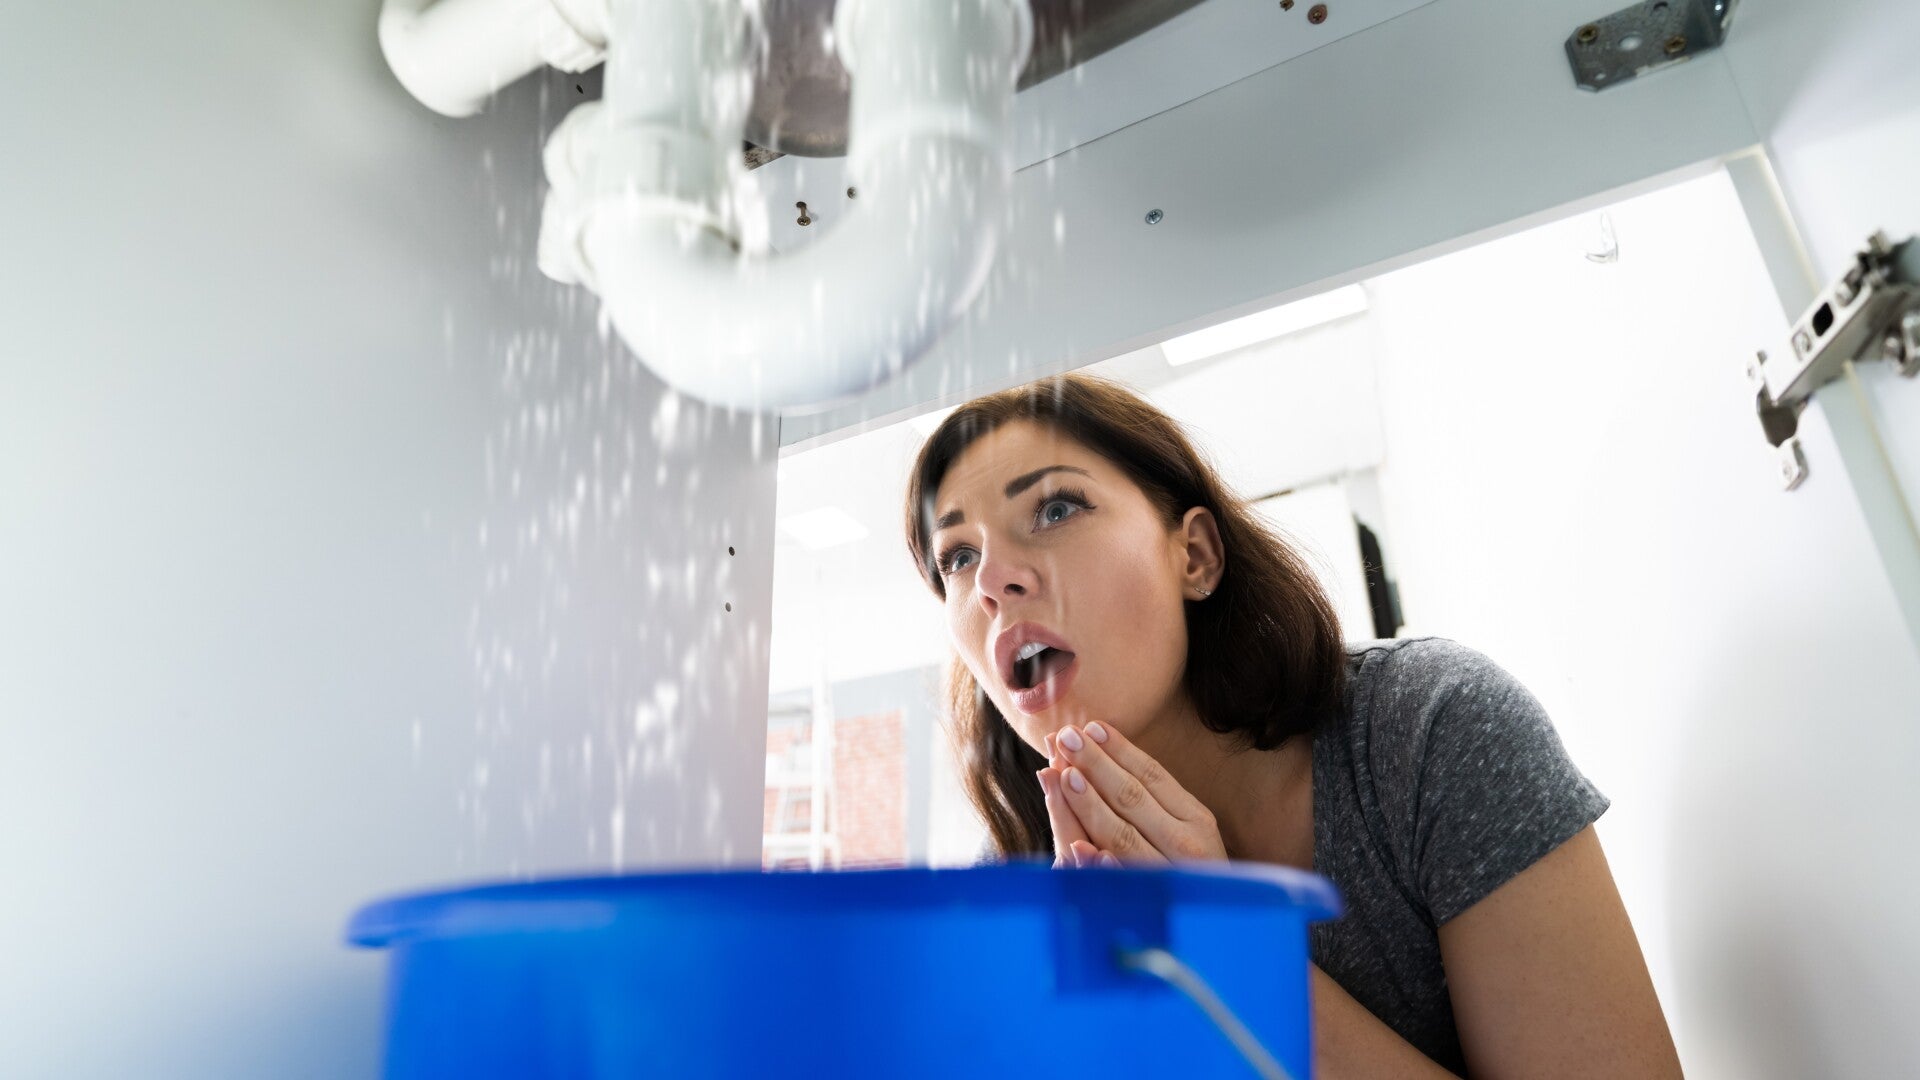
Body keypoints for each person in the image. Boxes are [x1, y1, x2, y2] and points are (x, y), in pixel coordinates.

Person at [902, 373, 1682, 1078]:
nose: (995, 581)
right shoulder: (1010, 887)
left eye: (1056, 508)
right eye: (957, 558)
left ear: (1196, 556)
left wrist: (1234, 954)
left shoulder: (1428, 735)